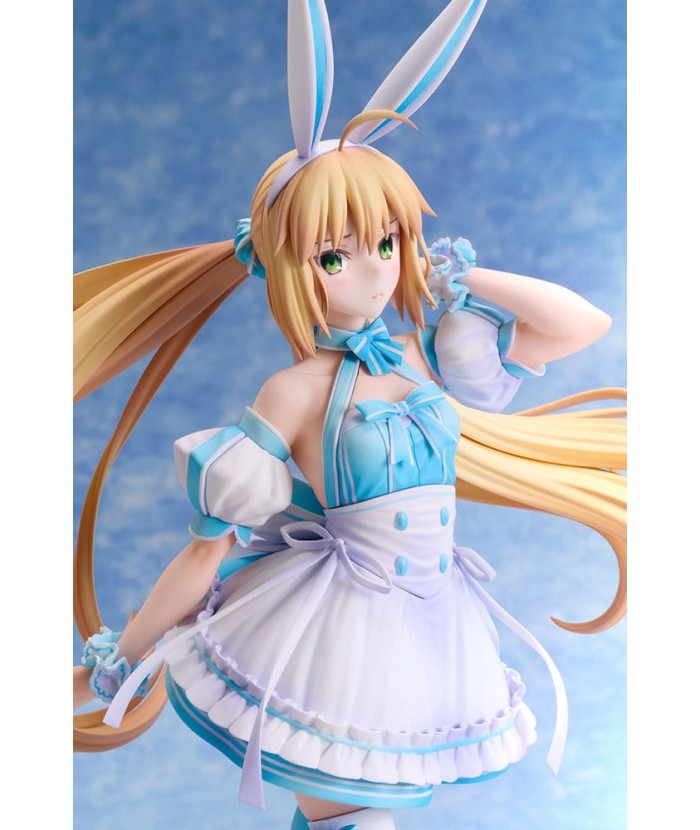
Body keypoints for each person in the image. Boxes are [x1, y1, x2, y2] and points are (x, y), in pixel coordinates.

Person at [73, 2, 626, 828]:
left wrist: (463, 279)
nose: (373, 271)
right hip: (333, 630)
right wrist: (121, 658)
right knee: (355, 817)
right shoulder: (291, 393)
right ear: (290, 267)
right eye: (336, 254)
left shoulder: (424, 355)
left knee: (362, 814)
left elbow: (582, 325)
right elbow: (207, 548)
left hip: (434, 625)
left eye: (388, 242)